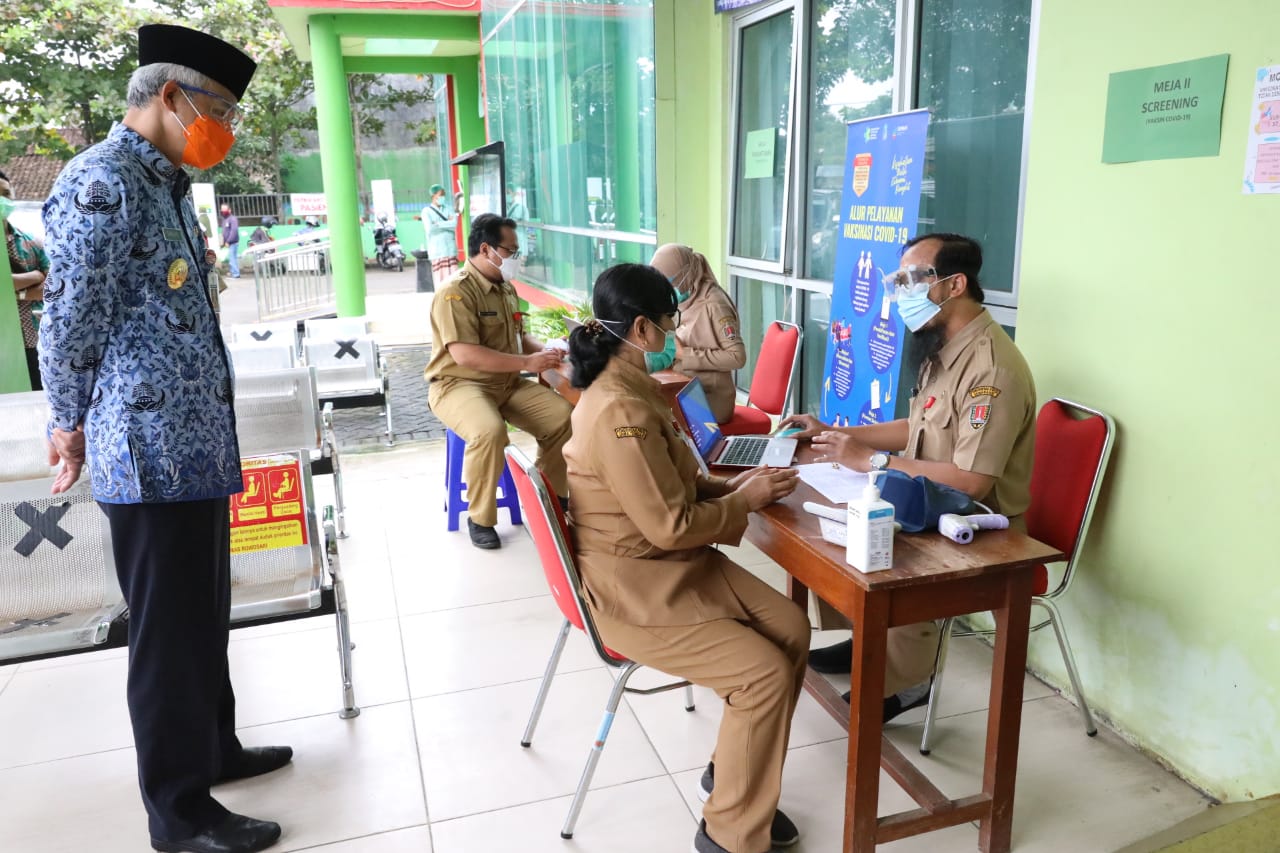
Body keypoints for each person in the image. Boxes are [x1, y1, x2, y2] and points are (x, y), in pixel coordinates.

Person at [39, 25, 290, 853]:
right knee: (167, 633)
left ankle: (213, 747)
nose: (224, 127)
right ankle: (179, 812)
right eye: (217, 109)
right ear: (171, 97)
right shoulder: (100, 183)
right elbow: (71, 320)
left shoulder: (166, 182)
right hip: (144, 451)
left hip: (192, 443)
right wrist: (66, 422)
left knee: (202, 616)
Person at [564, 263, 807, 853]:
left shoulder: (636, 391)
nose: (679, 330)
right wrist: (743, 502)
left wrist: (735, 488)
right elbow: (670, 525)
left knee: (792, 630)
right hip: (637, 587)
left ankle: (733, 776)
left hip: (672, 565)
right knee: (763, 674)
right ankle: (728, 834)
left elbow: (677, 486)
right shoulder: (619, 412)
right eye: (671, 320)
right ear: (643, 328)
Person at [779, 233, 1036, 721]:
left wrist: (870, 462)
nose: (899, 294)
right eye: (895, 282)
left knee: (866, 536)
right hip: (927, 495)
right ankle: (868, 638)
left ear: (954, 284)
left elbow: (972, 483)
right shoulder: (946, 346)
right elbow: (915, 427)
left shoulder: (992, 370)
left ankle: (909, 680)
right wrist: (837, 433)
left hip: (975, 523)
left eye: (909, 280)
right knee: (823, 520)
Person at [425, 213, 573, 550]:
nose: (516, 259)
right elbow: (465, 355)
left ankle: (548, 496)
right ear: (486, 249)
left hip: (506, 385)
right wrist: (527, 362)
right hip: (458, 385)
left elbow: (520, 338)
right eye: (512, 251)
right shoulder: (455, 293)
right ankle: (480, 518)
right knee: (489, 432)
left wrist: (550, 350)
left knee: (564, 417)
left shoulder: (506, 288)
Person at [649, 243, 746, 423]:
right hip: (685, 387)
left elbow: (737, 357)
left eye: (669, 284)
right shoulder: (688, 297)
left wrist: (683, 354)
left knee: (652, 421)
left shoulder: (714, 305)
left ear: (685, 275)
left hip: (711, 399)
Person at [1, 169, 50, 390]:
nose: (2, 200)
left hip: (32, 341)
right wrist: (34, 276)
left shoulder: (30, 242)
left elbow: (53, 286)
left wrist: (16, 292)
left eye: (5, 194)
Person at [421, 183, 458, 285]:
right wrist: (447, 224)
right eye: (440, 194)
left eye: (444, 194)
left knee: (454, 282)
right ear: (433, 196)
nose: (443, 197)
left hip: (450, 250)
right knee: (441, 283)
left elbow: (454, 223)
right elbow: (430, 229)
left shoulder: (448, 208)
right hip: (438, 252)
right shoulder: (426, 211)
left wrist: (437, 223)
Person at [220, 202, 240, 278]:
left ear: (229, 210)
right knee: (231, 258)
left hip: (233, 242)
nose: (223, 211)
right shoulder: (225, 219)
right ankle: (233, 272)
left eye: (224, 210)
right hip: (228, 243)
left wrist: (228, 241)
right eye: (222, 210)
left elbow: (234, 231)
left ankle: (236, 274)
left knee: (232, 258)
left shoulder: (232, 219)